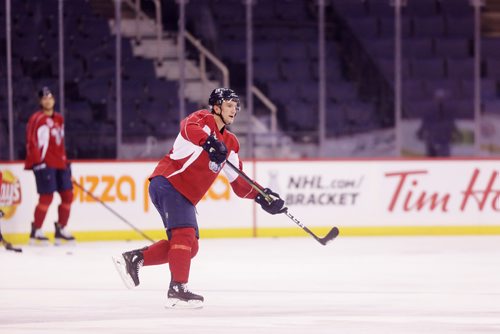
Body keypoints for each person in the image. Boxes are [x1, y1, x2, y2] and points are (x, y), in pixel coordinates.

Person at [112, 88, 286, 309]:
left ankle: (136, 259)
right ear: (216, 106)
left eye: (236, 106)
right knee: (184, 236)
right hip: (169, 182)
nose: (234, 110)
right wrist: (209, 143)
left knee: (189, 248)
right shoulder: (202, 119)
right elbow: (187, 128)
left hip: (183, 196)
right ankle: (177, 289)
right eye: (229, 105)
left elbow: (239, 183)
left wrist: (263, 197)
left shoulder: (231, 143)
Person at [25, 87, 75, 245]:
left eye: (50, 97)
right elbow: (30, 142)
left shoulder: (59, 118)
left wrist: (65, 162)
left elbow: (60, 142)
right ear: (40, 101)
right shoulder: (36, 119)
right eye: (45, 98)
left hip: (60, 164)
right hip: (44, 164)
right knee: (46, 197)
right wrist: (37, 162)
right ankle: (36, 230)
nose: (48, 100)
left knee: (68, 195)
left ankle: (61, 229)